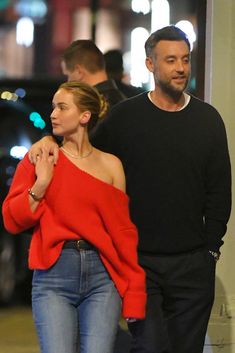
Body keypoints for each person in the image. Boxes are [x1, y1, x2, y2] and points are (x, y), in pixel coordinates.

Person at [27, 25, 231, 353]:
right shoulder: (125, 117)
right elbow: (81, 151)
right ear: (151, 65)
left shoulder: (208, 119)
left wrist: (210, 250)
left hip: (193, 264)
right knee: (149, 347)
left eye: (185, 60)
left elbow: (220, 190)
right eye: (170, 60)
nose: (180, 68)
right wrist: (47, 140)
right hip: (140, 263)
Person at [2, 81, 146, 353]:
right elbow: (12, 220)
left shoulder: (111, 165)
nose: (53, 114)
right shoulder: (41, 158)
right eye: (53, 107)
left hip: (103, 277)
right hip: (54, 275)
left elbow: (123, 234)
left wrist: (135, 293)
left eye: (62, 107)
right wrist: (41, 185)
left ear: (84, 116)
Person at [61, 40, 125, 108]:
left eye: (68, 75)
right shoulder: (123, 100)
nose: (68, 81)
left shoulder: (90, 106)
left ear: (78, 72)